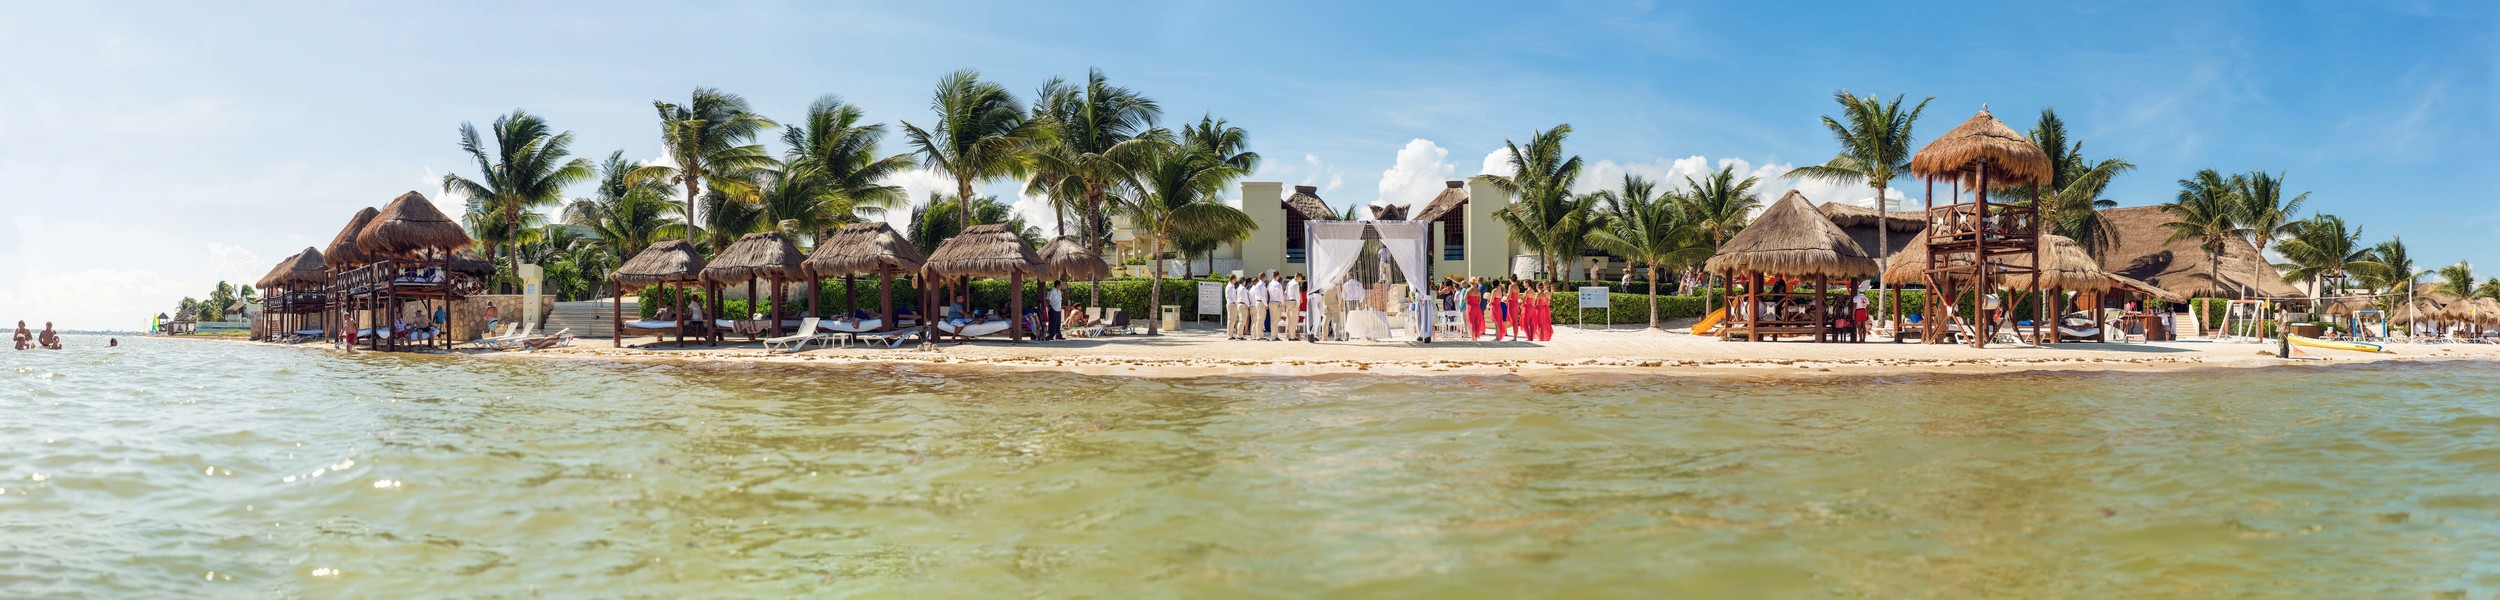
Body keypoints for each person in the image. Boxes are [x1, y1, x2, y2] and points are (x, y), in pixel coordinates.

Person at [1280, 274, 1304, 341]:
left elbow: (1286, 293)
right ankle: (1292, 337)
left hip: (1288, 302)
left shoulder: (1289, 283)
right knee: (1293, 321)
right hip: (1293, 302)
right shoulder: (1296, 284)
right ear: (1298, 277)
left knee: (1289, 320)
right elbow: (1297, 295)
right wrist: (1298, 305)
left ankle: (1289, 335)